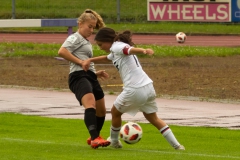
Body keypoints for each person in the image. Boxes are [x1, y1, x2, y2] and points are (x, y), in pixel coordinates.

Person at [82, 27, 185, 150]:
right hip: (148, 87)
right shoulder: (115, 50)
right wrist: (90, 60)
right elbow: (108, 57)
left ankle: (114, 141)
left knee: (115, 112)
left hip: (135, 88)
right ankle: (177, 146)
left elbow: (129, 50)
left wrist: (143, 51)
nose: (100, 47)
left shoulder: (117, 46)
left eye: (100, 44)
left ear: (107, 40)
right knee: (153, 118)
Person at [58, 9, 110, 149]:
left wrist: (95, 73)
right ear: (80, 24)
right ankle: (95, 138)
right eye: (89, 26)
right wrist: (80, 63)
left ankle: (95, 136)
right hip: (78, 76)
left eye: (93, 27)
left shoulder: (85, 42)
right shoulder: (74, 38)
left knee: (101, 110)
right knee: (90, 104)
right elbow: (62, 51)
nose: (92, 30)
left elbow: (86, 61)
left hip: (89, 76)